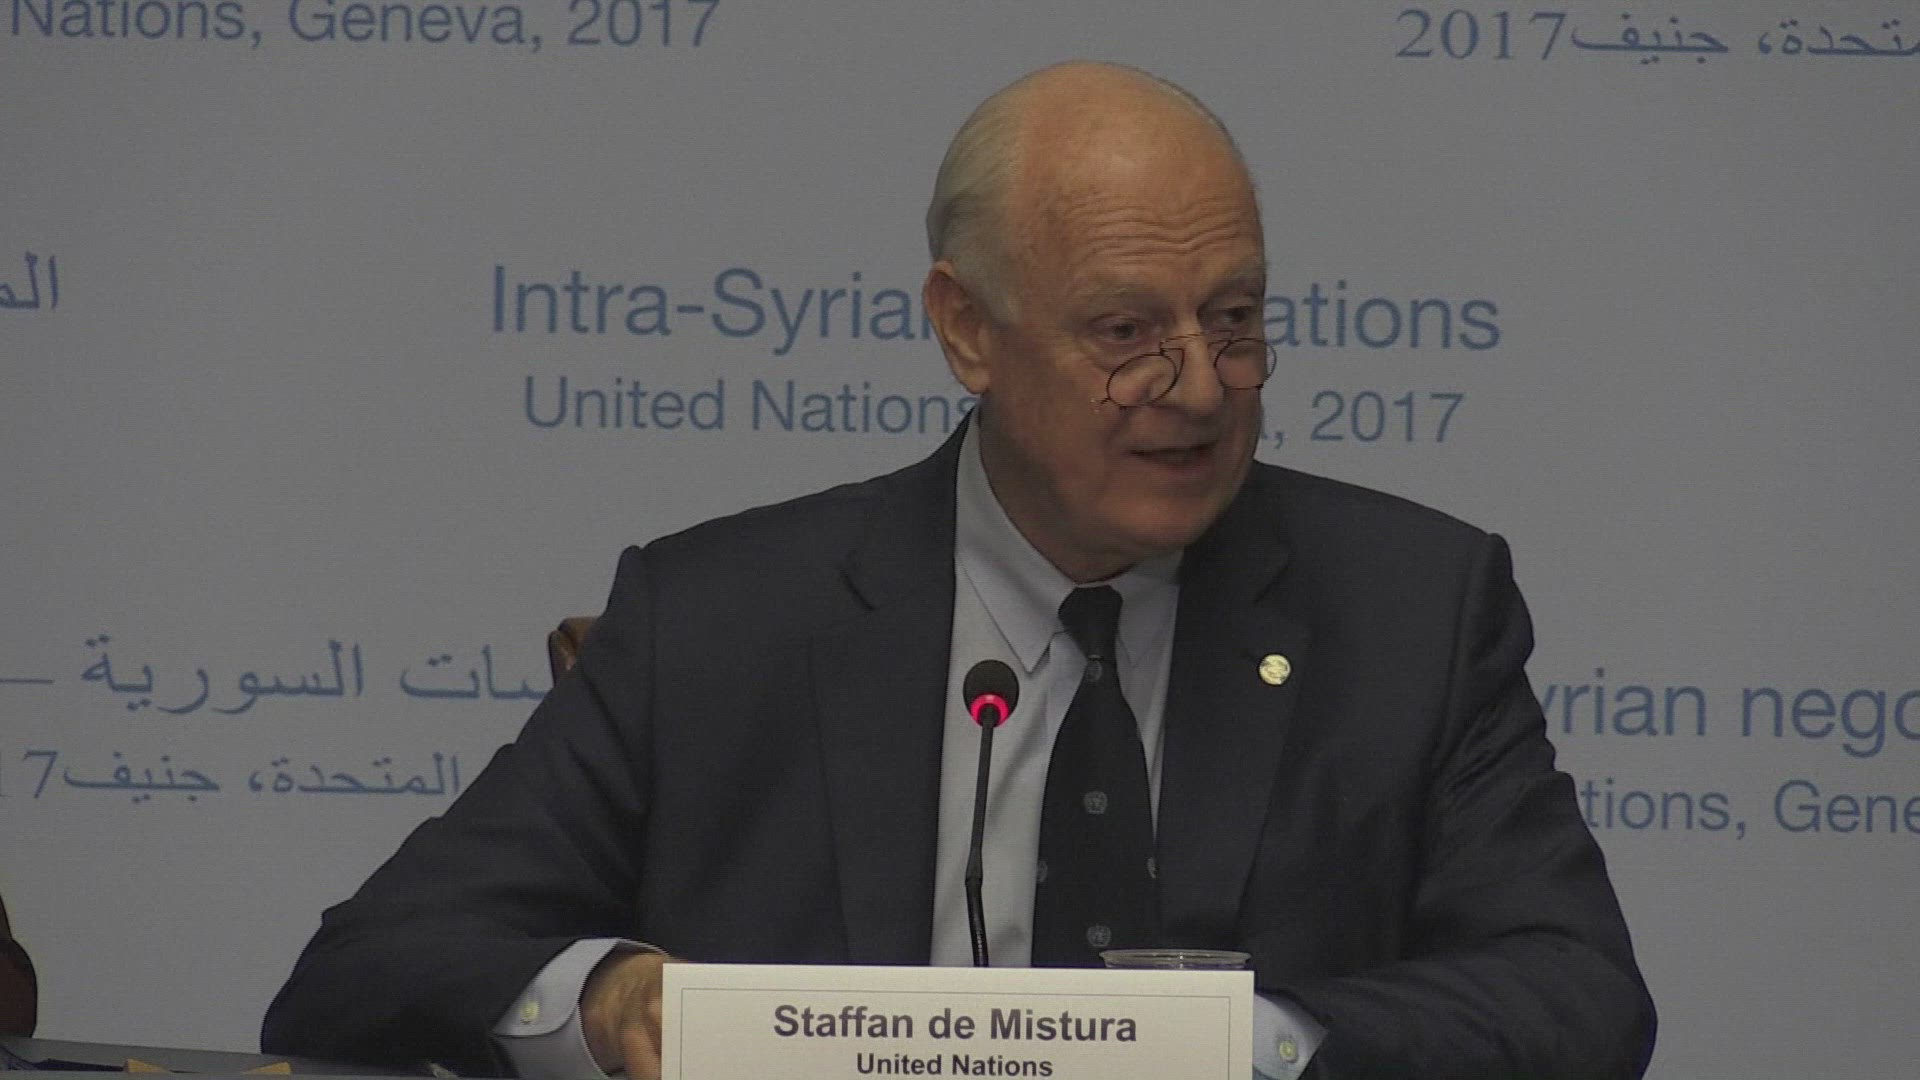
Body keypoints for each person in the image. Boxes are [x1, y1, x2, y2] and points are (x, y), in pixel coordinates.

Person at [263, 62, 1655, 1079]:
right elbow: (366, 969)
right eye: (1127, 331)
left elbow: (1577, 995)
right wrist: (607, 1000)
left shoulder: (1413, 606)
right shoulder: (720, 622)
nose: (1200, 385)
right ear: (967, 330)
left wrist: (1250, 1046)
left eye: (1235, 318)